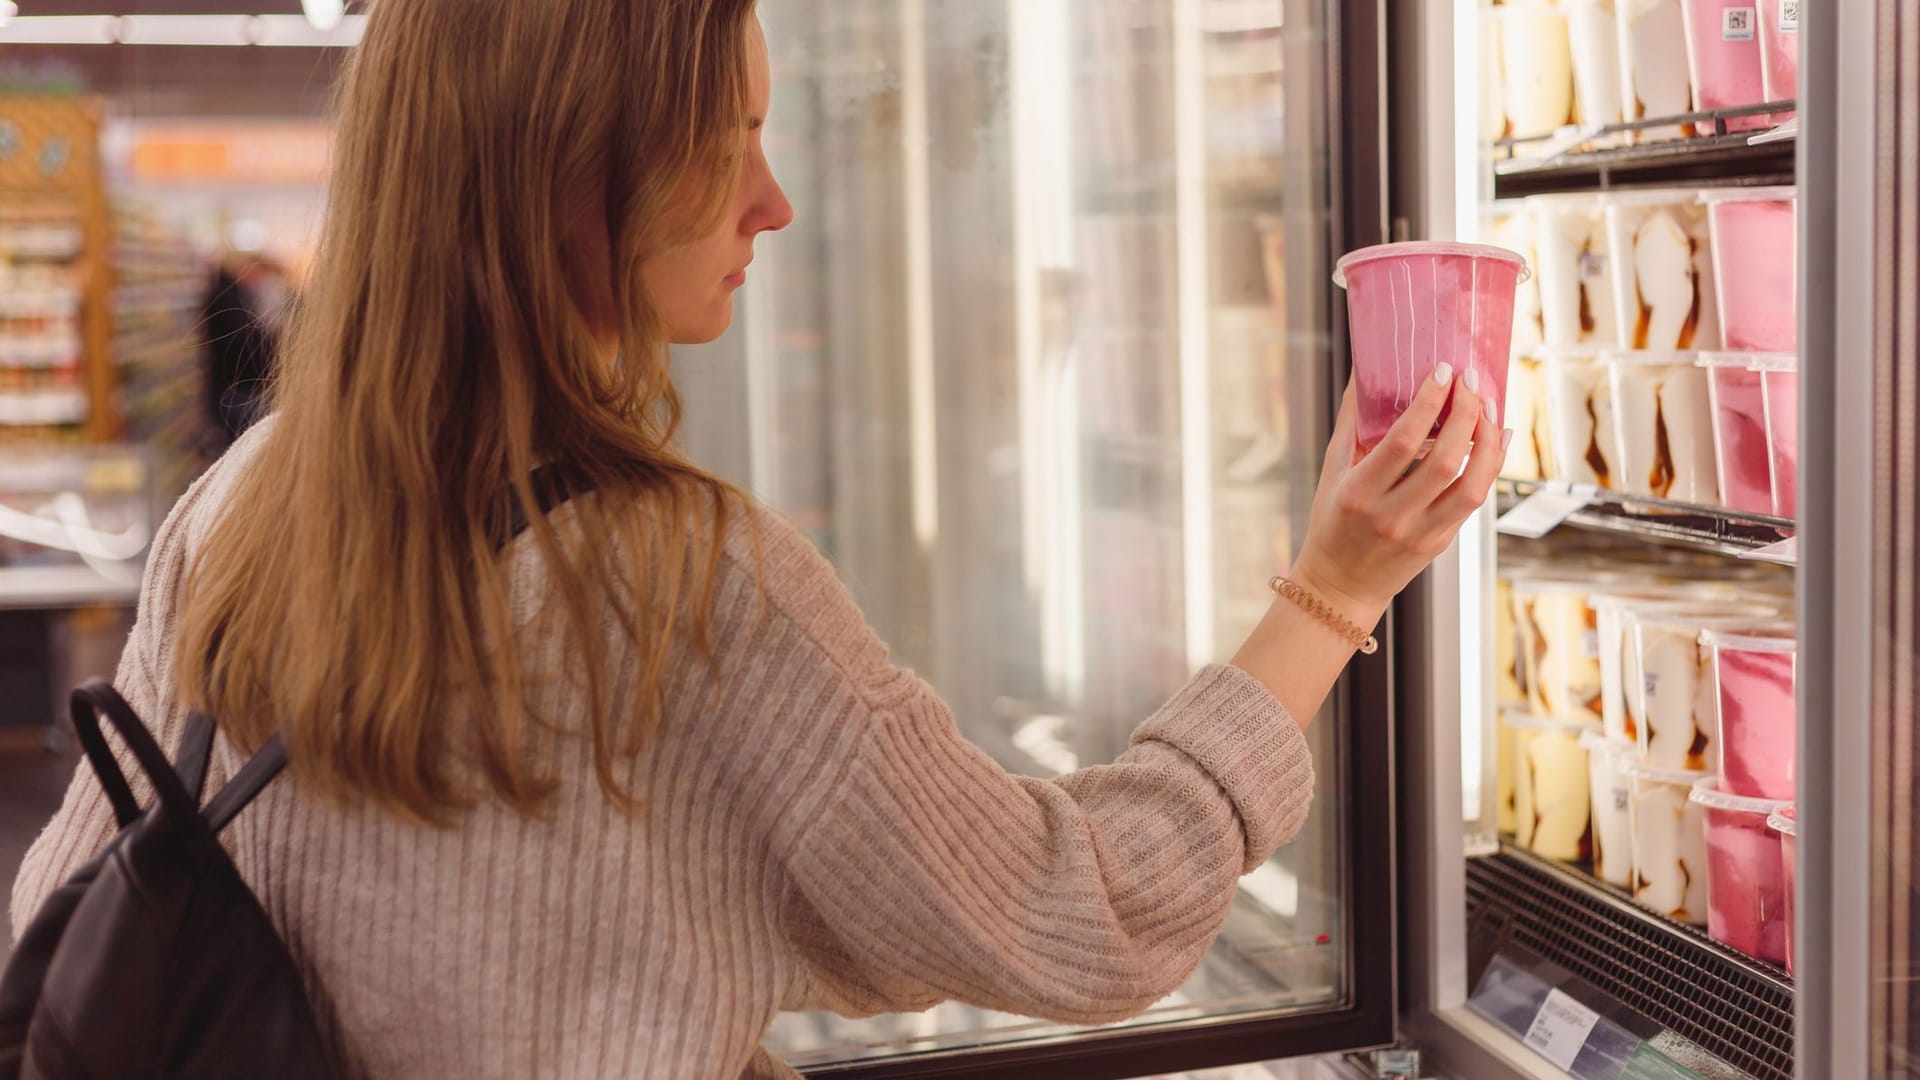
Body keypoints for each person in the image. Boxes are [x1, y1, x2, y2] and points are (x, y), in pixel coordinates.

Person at [8, 2, 1506, 1077]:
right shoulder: (677, 586)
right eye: (728, 142)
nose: (774, 201)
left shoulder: (245, 501)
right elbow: (1086, 915)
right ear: (577, 180)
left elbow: (66, 906)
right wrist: (1339, 584)